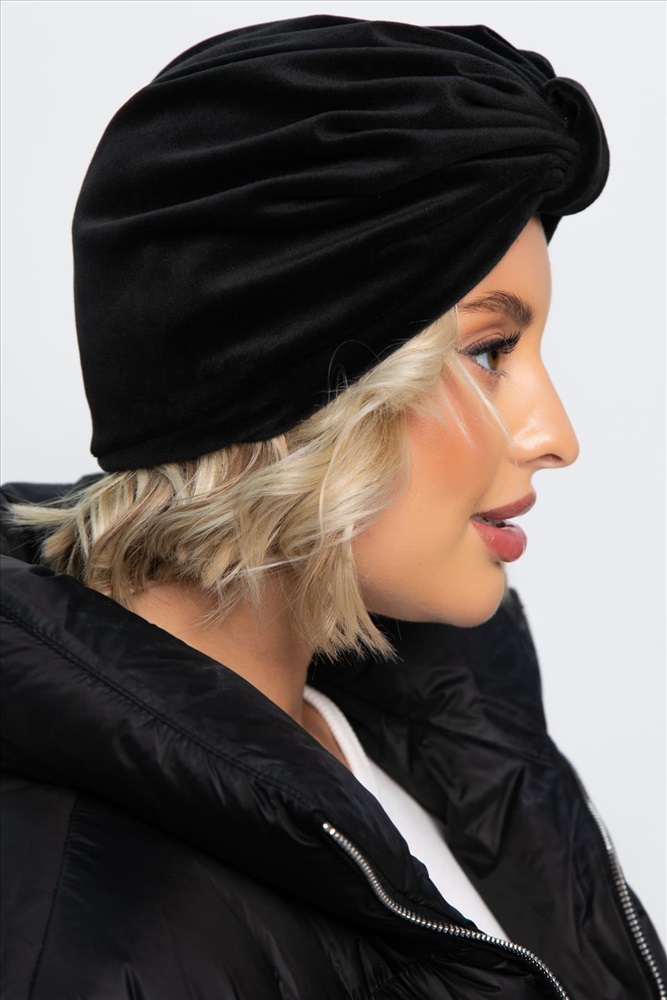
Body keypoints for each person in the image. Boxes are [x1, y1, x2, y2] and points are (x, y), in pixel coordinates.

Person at [1, 15, 664, 1000]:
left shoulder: (441, 727)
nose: (556, 435)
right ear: (288, 391)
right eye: (489, 350)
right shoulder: (86, 944)